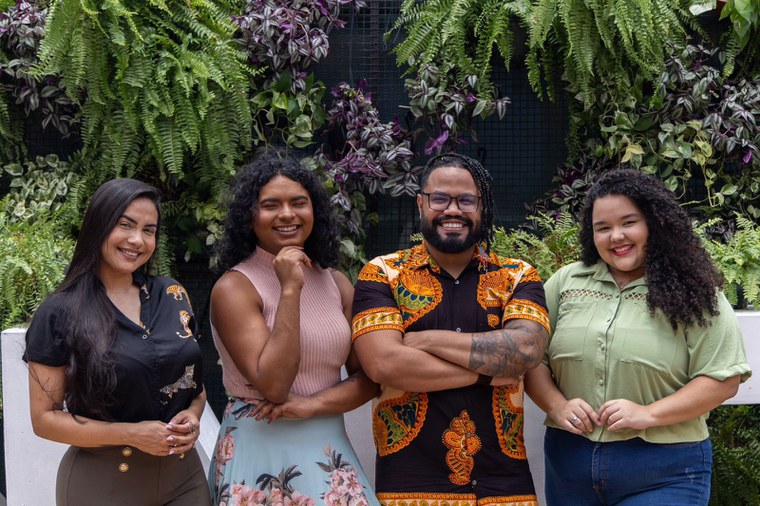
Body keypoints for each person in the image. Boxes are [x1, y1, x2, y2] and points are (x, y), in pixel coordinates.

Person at [525, 168, 752, 505]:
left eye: (628, 222)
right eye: (603, 227)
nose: (616, 236)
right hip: (570, 462)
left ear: (654, 223)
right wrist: (556, 406)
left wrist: (648, 414)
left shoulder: (695, 291)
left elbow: (723, 377)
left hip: (665, 470)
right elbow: (532, 358)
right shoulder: (565, 282)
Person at [351, 153, 550, 506]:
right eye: (440, 198)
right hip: (409, 485)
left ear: (483, 207)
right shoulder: (383, 273)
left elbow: (526, 351)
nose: (452, 210)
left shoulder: (517, 275)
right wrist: (488, 374)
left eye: (466, 200)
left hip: (504, 486)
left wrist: (426, 340)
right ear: (420, 203)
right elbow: (383, 365)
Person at [207, 154, 380, 506]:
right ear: (249, 216)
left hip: (328, 447)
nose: (287, 214)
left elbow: (368, 379)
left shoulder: (335, 282)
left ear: (314, 211)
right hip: (260, 453)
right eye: (270, 205)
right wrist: (289, 289)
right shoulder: (234, 288)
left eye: (299, 203)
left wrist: (313, 405)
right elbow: (274, 385)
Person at [25, 178, 209, 505]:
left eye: (149, 230)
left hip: (185, 480)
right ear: (99, 225)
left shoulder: (173, 295)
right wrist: (129, 433)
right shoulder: (60, 312)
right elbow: (44, 420)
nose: (137, 239)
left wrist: (193, 417)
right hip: (104, 484)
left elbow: (195, 388)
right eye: (125, 225)